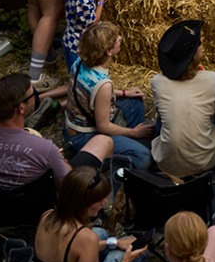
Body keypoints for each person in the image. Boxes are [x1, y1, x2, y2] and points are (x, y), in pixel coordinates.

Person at [0, 72, 110, 186]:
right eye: (33, 94)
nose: (36, 97)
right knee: (103, 142)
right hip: (39, 215)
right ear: (21, 108)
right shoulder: (44, 148)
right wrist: (60, 161)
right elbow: (66, 185)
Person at [151, 20, 215, 178]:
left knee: (164, 119)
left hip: (165, 163)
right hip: (205, 162)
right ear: (192, 56)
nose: (203, 41)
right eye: (198, 42)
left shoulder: (157, 82)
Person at [64, 21, 156, 167]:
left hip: (75, 125)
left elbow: (92, 92)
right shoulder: (104, 84)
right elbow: (103, 127)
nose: (120, 40)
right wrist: (133, 132)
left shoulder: (80, 62)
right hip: (85, 136)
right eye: (118, 40)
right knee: (143, 158)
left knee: (136, 101)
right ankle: (106, 156)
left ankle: (127, 143)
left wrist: (125, 93)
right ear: (108, 51)